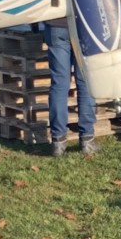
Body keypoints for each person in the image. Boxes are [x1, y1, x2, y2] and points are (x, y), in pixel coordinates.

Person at [43, 22, 98, 157]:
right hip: (83, 24)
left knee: (59, 84)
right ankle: (87, 139)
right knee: (85, 83)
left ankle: (58, 142)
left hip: (55, 24)